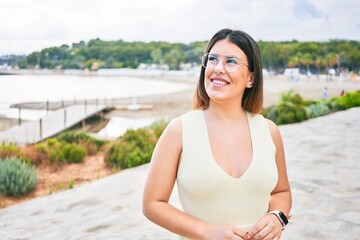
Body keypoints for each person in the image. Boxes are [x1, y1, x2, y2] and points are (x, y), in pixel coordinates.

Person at [143, 28, 292, 240]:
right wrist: (206, 231)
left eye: (231, 61)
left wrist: (278, 217)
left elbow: (281, 192)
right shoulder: (179, 130)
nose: (218, 68)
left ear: (251, 78)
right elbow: (152, 204)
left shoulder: (269, 131)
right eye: (212, 59)